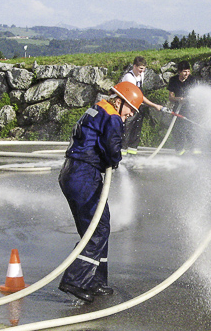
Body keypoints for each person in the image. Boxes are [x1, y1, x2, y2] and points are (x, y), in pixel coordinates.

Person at [58, 81, 143, 303]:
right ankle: (75, 281)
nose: (128, 117)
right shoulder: (113, 116)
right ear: (121, 101)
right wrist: (115, 160)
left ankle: (95, 280)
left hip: (73, 173)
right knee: (97, 230)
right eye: (130, 112)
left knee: (100, 225)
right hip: (83, 174)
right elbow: (112, 148)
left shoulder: (98, 108)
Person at [120, 56, 164, 155]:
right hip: (128, 107)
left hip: (138, 107)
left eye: (143, 69)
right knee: (126, 132)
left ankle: (132, 155)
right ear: (134, 66)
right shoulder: (129, 77)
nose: (141, 71)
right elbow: (138, 96)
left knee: (136, 132)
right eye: (140, 69)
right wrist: (154, 105)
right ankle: (121, 157)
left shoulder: (141, 75)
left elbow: (140, 94)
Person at [167, 60, 199, 154]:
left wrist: (190, 98)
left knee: (190, 127)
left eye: (188, 71)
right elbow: (171, 97)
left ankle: (193, 148)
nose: (187, 74)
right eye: (184, 71)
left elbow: (196, 95)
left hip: (190, 108)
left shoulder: (192, 80)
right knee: (178, 129)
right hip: (178, 108)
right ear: (179, 72)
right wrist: (179, 99)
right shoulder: (173, 80)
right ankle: (179, 150)